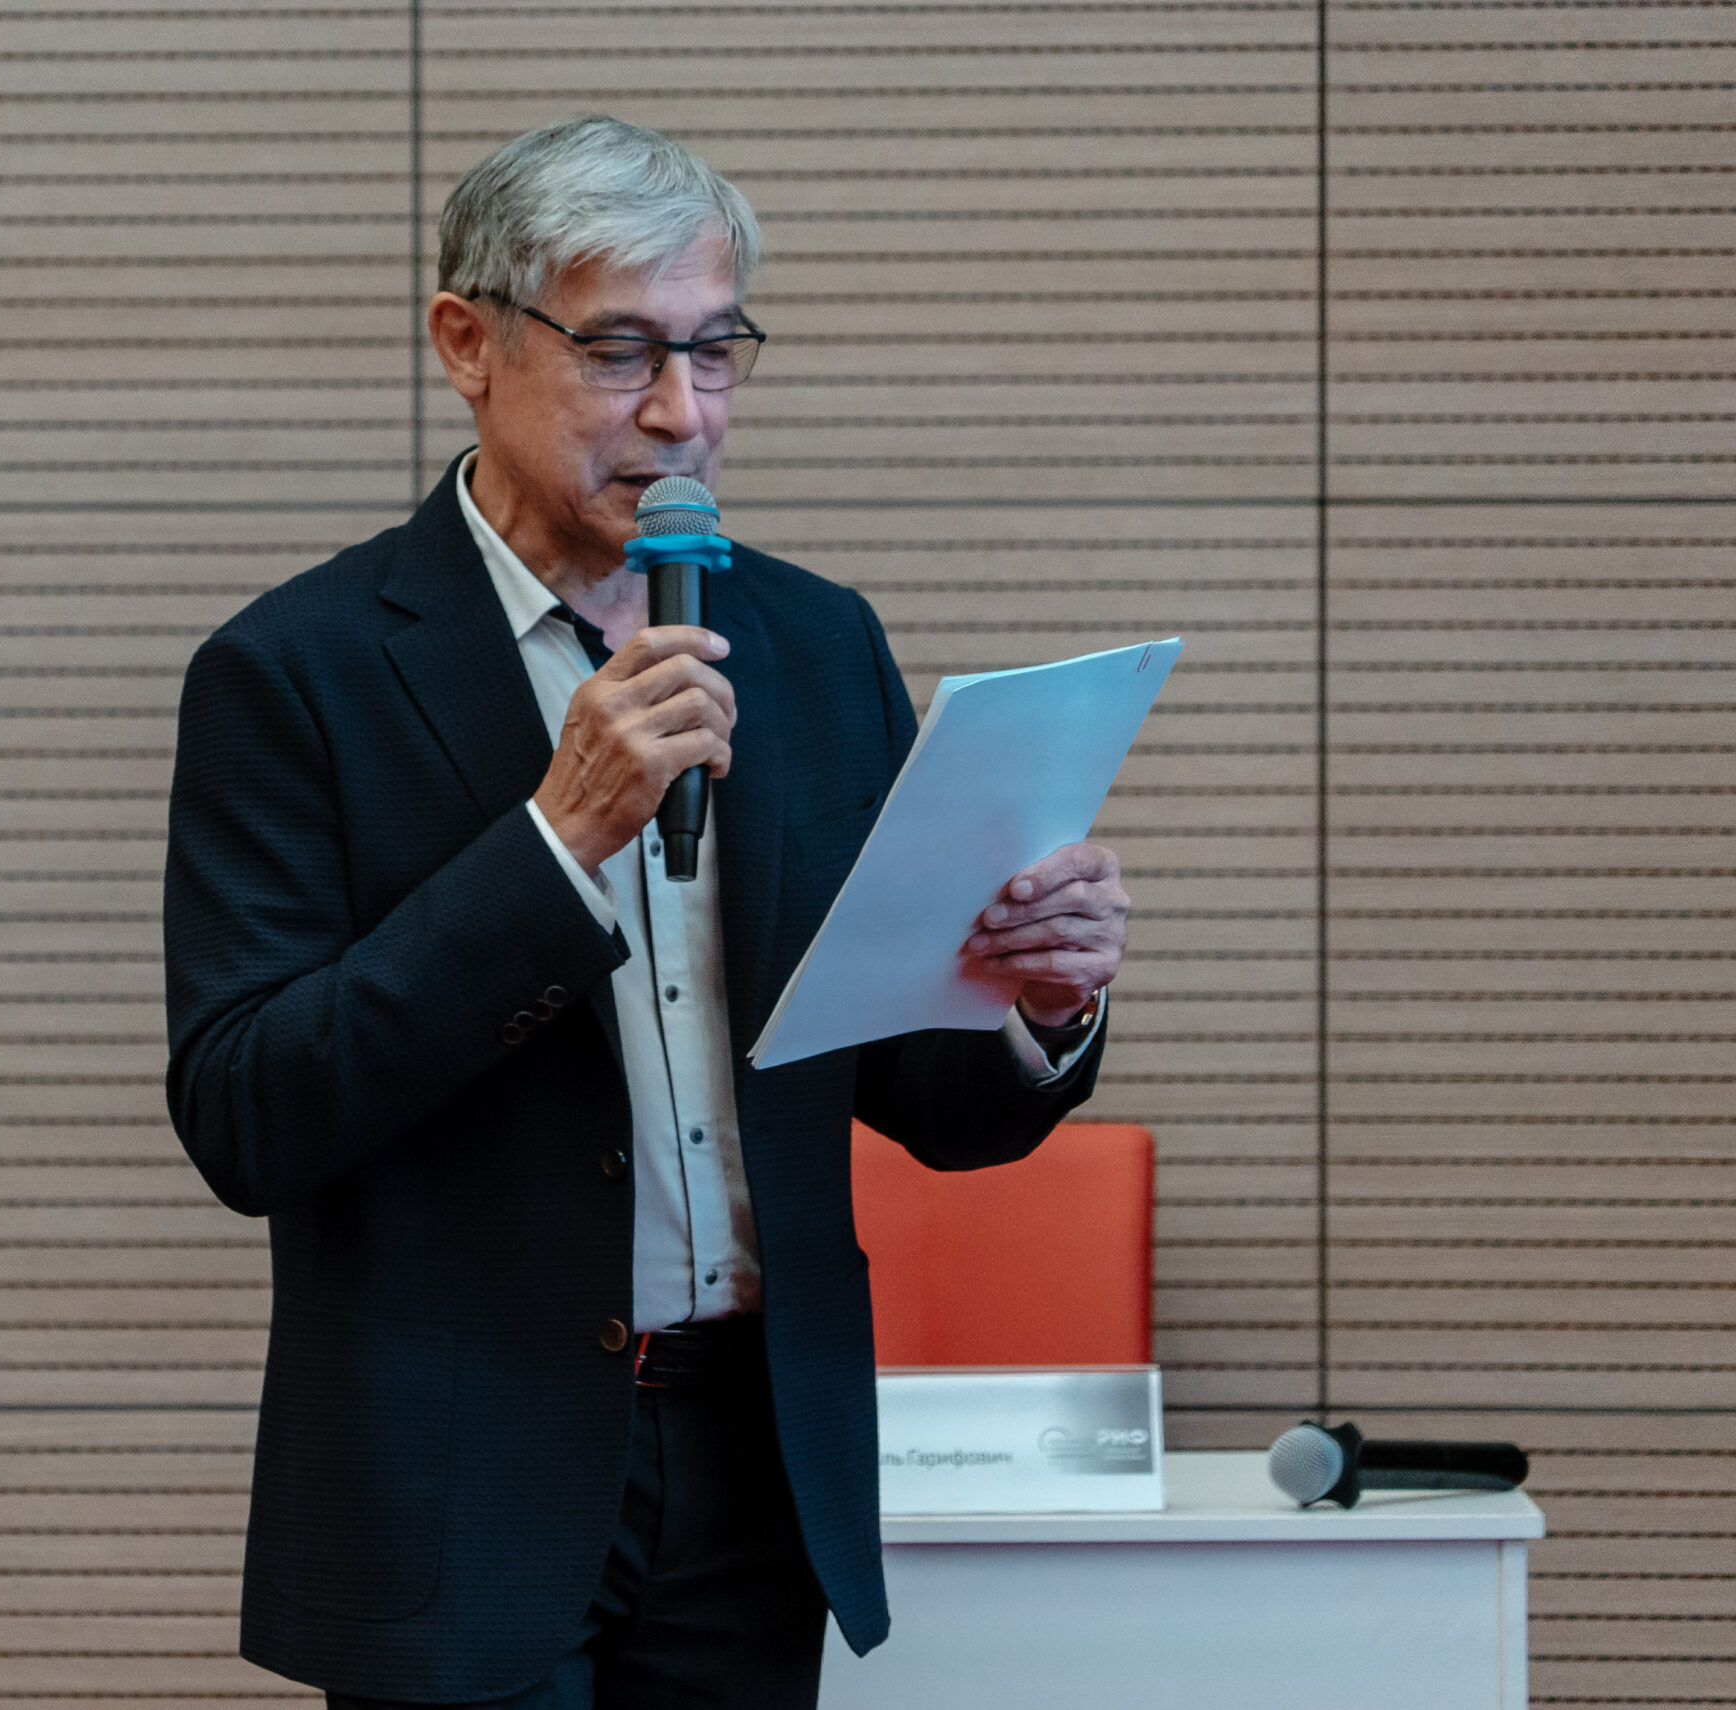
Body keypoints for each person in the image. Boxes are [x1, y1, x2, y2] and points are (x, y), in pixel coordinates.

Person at [164, 116, 1129, 1709]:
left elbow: (914, 1089)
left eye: (715, 349)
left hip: (754, 1456)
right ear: (466, 344)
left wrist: (1036, 1005)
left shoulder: (814, 643)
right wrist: (556, 841)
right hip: (462, 1481)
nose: (683, 414)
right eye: (620, 352)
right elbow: (246, 1112)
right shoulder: (296, 673)